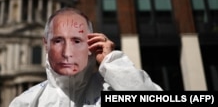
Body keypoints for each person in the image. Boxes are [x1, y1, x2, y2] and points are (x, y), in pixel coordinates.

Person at [9, 7, 162, 107]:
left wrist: (113, 63)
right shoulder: (26, 102)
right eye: (58, 40)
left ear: (91, 43)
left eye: (76, 40)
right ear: (46, 45)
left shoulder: (114, 89)